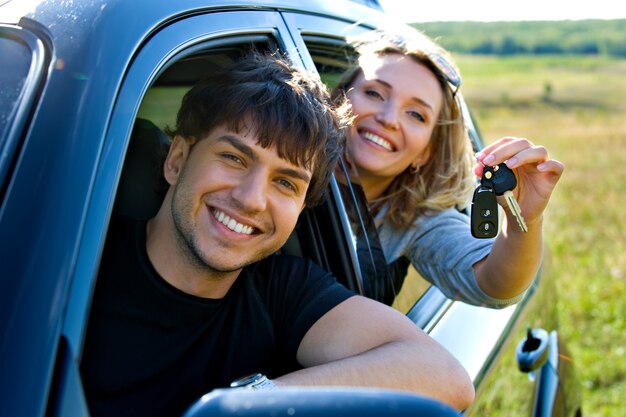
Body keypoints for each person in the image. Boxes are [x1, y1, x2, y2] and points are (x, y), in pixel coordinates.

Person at [80, 52, 475, 417]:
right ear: (178, 159)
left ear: (301, 209)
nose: (252, 200)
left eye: (285, 183)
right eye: (234, 158)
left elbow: (446, 376)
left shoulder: (283, 290)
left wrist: (247, 405)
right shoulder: (76, 260)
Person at [331, 31, 564, 307]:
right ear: (337, 100)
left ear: (426, 153)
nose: (389, 118)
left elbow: (496, 284)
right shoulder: (277, 158)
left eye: (416, 114)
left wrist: (524, 220)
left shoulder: (414, 222)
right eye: (374, 93)